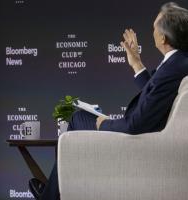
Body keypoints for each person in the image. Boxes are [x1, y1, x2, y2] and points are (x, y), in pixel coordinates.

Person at [29, 2, 188, 199]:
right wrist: (137, 63)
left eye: (154, 27)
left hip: (140, 140)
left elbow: (136, 123)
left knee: (78, 119)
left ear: (163, 37)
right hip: (149, 135)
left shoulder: (172, 67)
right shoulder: (179, 62)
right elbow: (154, 97)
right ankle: (55, 191)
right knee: (82, 118)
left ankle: (52, 194)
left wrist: (106, 123)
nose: (152, 31)